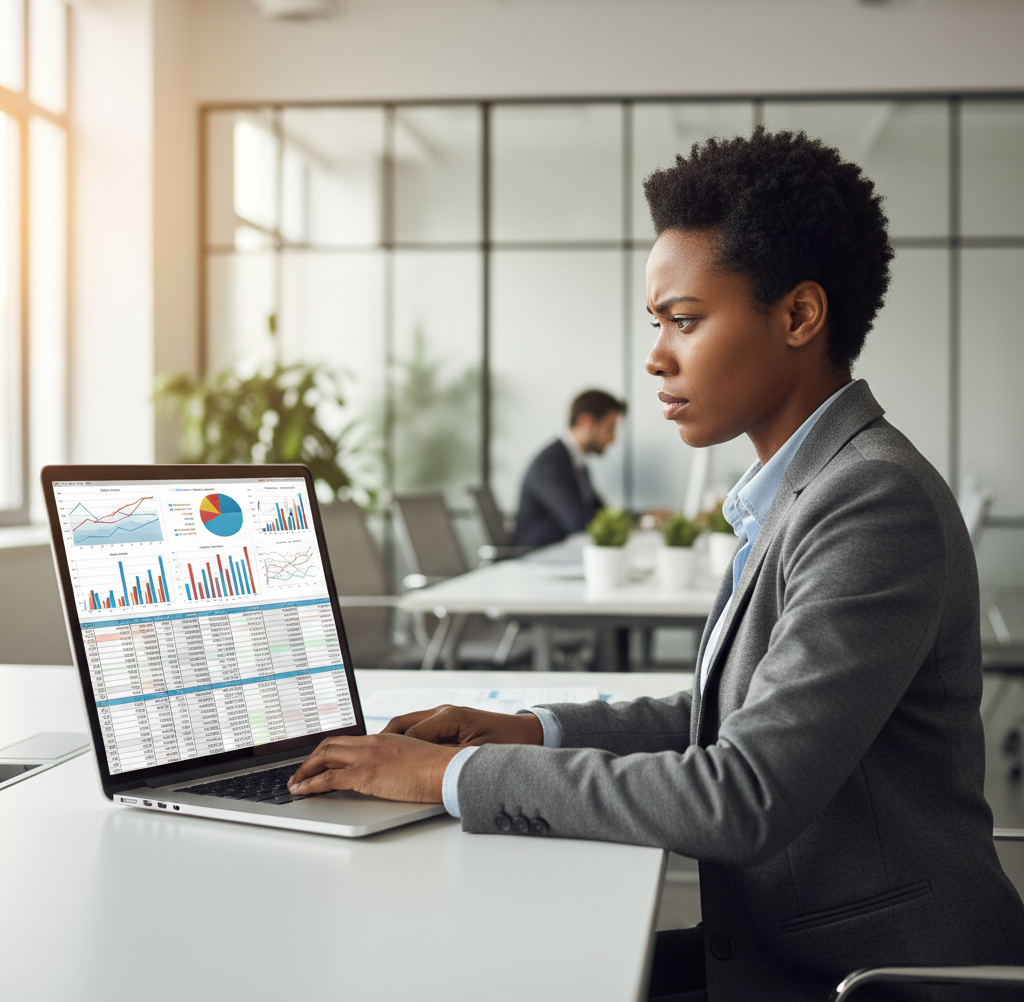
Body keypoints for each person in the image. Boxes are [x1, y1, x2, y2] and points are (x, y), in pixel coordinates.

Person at [286, 129, 1024, 1001]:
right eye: (657, 323)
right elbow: (726, 718)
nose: (656, 355)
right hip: (790, 949)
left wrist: (448, 777)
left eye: (686, 320)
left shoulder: (870, 501)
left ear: (798, 316)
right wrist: (527, 731)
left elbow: (741, 794)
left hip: (876, 979)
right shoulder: (804, 487)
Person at [512, 389, 627, 548]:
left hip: (562, 551)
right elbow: (580, 522)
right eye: (610, 428)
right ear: (586, 421)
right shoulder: (551, 464)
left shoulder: (576, 461)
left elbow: (600, 512)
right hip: (537, 555)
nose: (613, 438)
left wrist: (641, 518)